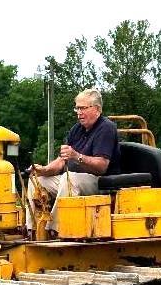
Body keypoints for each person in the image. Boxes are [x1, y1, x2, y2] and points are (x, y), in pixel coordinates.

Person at [28, 88, 121, 235]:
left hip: (101, 181)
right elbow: (61, 161)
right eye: (77, 108)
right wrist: (43, 170)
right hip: (72, 180)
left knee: (69, 178)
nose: (78, 112)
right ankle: (32, 229)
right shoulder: (77, 129)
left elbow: (102, 166)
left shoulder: (106, 128)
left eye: (83, 108)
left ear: (97, 109)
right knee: (37, 180)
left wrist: (77, 156)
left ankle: (55, 229)